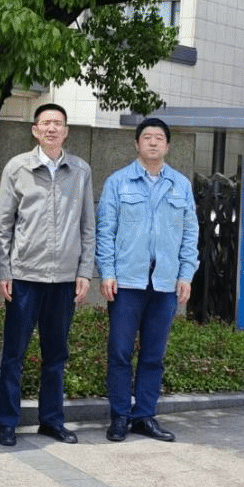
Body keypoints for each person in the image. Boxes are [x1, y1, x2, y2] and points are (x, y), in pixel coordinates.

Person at [0, 103, 95, 447]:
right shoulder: (17, 167)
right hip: (24, 277)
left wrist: (85, 272)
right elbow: (3, 225)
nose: (52, 128)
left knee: (55, 356)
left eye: (58, 123)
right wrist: (3, 270)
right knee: (14, 354)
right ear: (35, 130)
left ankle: (51, 421)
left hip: (64, 280)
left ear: (66, 131)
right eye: (46, 123)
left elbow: (87, 226)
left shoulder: (80, 170)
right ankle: (7, 422)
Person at [97, 117, 199, 443]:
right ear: (137, 144)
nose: (153, 142)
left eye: (159, 138)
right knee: (120, 352)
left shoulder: (180, 185)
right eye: (147, 137)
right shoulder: (118, 182)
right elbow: (105, 231)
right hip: (127, 282)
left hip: (165, 283)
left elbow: (190, 234)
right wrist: (107, 272)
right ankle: (119, 416)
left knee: (154, 355)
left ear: (167, 146)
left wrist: (186, 275)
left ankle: (144, 415)